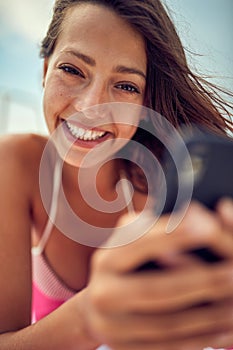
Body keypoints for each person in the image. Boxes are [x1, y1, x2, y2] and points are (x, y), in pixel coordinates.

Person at [0, 0, 233, 349]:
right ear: (45, 70)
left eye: (125, 86)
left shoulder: (169, 191)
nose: (91, 107)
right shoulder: (15, 162)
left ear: (144, 102)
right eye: (73, 70)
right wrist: (87, 319)